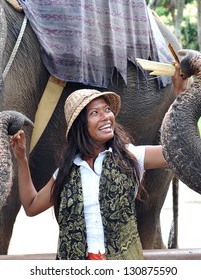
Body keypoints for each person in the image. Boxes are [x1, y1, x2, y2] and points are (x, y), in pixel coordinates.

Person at [10, 67, 188, 260]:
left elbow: (178, 153)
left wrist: (180, 96)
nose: (106, 117)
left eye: (108, 110)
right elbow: (31, 205)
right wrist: (21, 158)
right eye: (95, 113)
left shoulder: (131, 156)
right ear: (81, 125)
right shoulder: (67, 169)